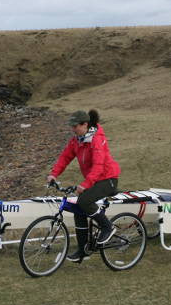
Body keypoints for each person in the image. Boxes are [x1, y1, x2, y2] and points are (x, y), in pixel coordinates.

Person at [46, 109, 121, 263]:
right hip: (95, 180)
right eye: (72, 126)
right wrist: (54, 174)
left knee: (84, 201)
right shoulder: (77, 140)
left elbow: (99, 166)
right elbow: (65, 157)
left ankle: (107, 227)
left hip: (109, 179)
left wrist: (85, 184)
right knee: (78, 209)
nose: (73, 129)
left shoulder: (96, 140)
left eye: (75, 126)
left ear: (85, 124)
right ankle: (82, 250)